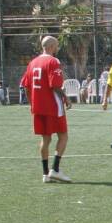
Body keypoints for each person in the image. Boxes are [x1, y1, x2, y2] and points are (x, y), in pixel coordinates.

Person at [20, 35, 72, 183]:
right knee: (63, 136)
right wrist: (66, 98)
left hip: (38, 107)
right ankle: (55, 170)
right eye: (56, 46)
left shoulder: (33, 62)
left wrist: (32, 104)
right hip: (53, 106)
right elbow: (55, 85)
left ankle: (45, 174)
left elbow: (25, 86)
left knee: (46, 139)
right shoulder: (53, 61)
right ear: (50, 47)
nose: (57, 48)